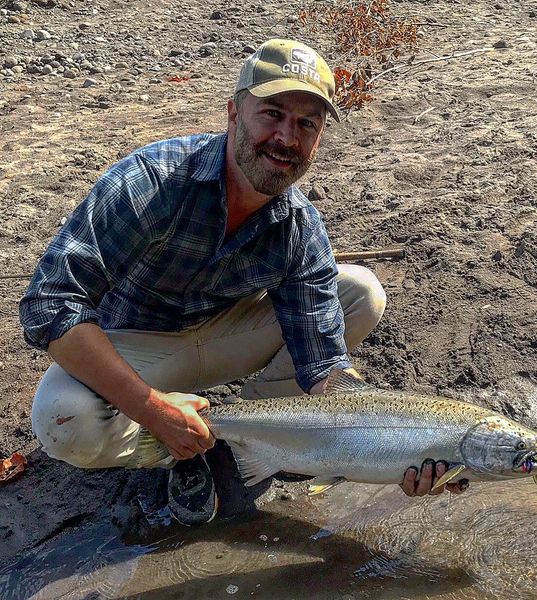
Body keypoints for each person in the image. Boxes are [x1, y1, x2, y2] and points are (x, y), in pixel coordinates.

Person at [19, 39, 466, 526]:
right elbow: (49, 304)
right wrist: (150, 409)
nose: (286, 138)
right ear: (233, 112)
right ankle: (177, 446)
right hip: (138, 345)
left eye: (306, 124)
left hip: (225, 336)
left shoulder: (300, 228)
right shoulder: (151, 182)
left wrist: (405, 445)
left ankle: (239, 437)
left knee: (359, 292)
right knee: (63, 421)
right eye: (272, 114)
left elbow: (325, 370)